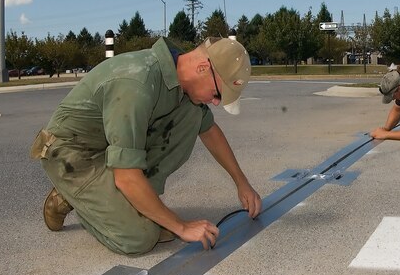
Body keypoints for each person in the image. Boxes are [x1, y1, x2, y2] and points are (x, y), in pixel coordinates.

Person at [30, 36, 262, 255]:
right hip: (73, 155)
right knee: (140, 237)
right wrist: (181, 227)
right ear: (202, 67)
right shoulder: (137, 83)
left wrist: (242, 183)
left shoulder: (180, 84)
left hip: (111, 149)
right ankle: (74, 197)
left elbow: (210, 131)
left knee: (193, 115)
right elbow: (126, 174)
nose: (215, 102)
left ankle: (134, 203)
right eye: (217, 94)